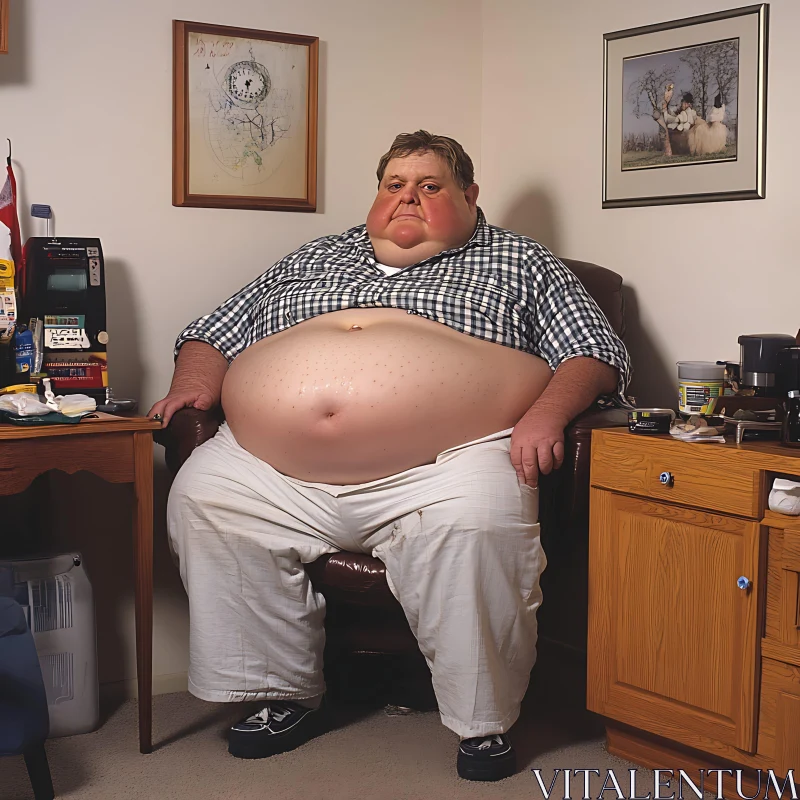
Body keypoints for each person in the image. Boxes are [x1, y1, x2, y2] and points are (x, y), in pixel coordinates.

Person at [149, 130, 631, 782]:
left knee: (479, 525)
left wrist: (546, 414)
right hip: (275, 467)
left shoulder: (521, 260)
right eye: (394, 186)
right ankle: (282, 692)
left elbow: (594, 352)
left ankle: (483, 720)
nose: (408, 198)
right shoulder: (316, 255)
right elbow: (215, 329)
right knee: (204, 497)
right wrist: (192, 382)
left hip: (447, 463)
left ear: (469, 194)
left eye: (429, 186)